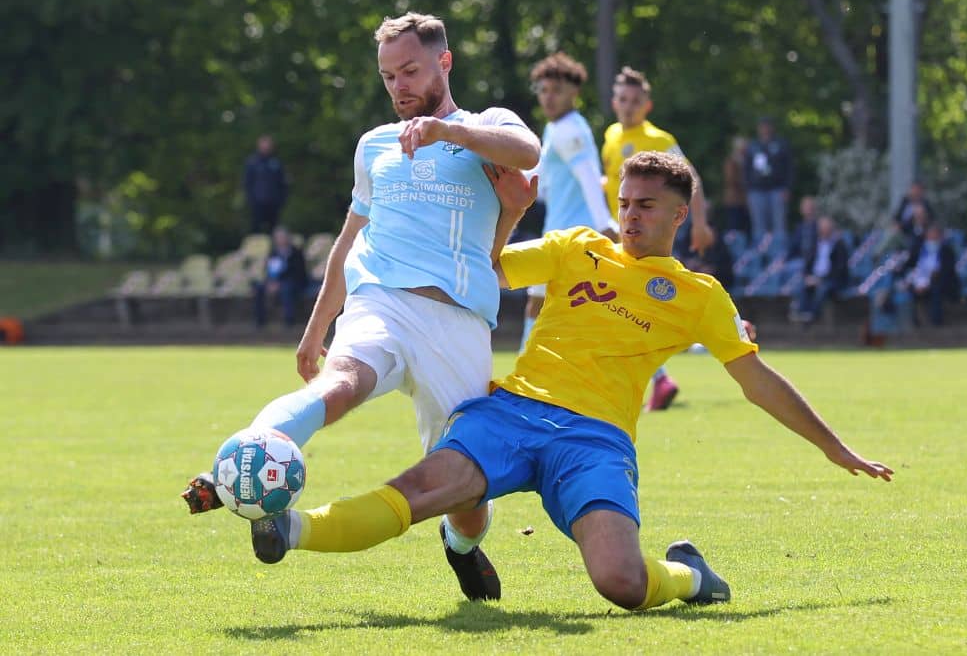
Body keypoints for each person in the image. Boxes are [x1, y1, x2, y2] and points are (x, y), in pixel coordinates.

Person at [249, 152, 893, 613]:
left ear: (680, 215)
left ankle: (692, 579)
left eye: (646, 206)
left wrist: (834, 447)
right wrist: (509, 211)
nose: (630, 216)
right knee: (420, 490)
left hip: (595, 441)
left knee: (620, 582)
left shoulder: (700, 295)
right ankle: (290, 530)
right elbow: (484, 268)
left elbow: (758, 382)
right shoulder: (577, 247)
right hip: (513, 413)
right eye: (624, 203)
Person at [182, 12, 541, 602]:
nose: (399, 86)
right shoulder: (373, 145)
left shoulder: (484, 127)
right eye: (388, 76)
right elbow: (349, 239)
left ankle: (462, 548)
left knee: (468, 496)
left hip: (458, 323)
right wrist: (317, 324)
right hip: (381, 303)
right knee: (340, 384)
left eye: (410, 71)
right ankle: (235, 467)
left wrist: (445, 132)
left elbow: (526, 149)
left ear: (443, 63)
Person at [600, 65, 714, 410]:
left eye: (635, 100)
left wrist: (699, 223)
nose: (628, 106)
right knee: (625, 307)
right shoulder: (610, 136)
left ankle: (666, 366)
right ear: (614, 101)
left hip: (648, 235)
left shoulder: (660, 140)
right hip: (616, 234)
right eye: (623, 99)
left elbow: (690, 178)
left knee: (625, 305)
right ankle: (661, 370)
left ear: (647, 105)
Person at [522, 52, 617, 350]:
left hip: (574, 236)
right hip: (560, 232)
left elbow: (588, 177)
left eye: (557, 91)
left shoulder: (567, 130)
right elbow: (551, 185)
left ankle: (521, 376)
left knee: (541, 306)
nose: (548, 98)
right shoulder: (559, 128)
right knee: (546, 305)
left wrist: (605, 225)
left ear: (574, 92)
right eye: (543, 90)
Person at [898, 224, 960, 326]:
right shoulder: (918, 248)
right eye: (931, 234)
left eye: (936, 235)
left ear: (940, 236)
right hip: (918, 280)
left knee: (936, 289)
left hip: (939, 281)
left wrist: (929, 282)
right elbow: (908, 265)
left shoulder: (947, 250)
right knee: (908, 289)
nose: (933, 237)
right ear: (926, 235)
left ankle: (936, 323)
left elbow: (948, 271)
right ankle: (913, 322)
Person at [744, 117, 793, 244]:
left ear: (772, 128)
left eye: (767, 126)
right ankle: (760, 258)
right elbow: (746, 169)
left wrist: (787, 188)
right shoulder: (753, 146)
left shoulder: (781, 144)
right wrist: (748, 190)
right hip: (757, 191)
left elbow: (789, 167)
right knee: (759, 227)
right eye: (762, 127)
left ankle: (778, 258)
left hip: (777, 190)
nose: (765, 129)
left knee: (779, 225)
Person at [793, 216, 850, 324]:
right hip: (814, 277)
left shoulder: (839, 244)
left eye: (825, 229)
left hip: (832, 279)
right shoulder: (816, 244)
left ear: (831, 229)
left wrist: (821, 279)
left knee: (822, 288)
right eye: (821, 229)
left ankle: (812, 315)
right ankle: (801, 313)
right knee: (800, 286)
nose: (822, 231)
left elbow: (840, 268)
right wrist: (807, 276)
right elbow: (808, 264)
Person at [253, 226, 310, 328]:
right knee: (259, 288)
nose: (280, 240)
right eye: (278, 237)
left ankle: (289, 322)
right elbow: (269, 271)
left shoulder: (296, 253)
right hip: (274, 282)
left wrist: (279, 283)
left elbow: (298, 273)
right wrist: (270, 283)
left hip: (293, 283)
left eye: (282, 237)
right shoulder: (273, 253)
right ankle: (260, 322)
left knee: (286, 289)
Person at [244, 135, 289, 234]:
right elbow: (247, 183)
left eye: (268, 144)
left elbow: (283, 183)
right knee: (256, 229)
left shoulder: (276, 162)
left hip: (274, 202)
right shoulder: (252, 162)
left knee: (274, 229)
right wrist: (251, 199)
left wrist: (281, 199)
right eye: (264, 144)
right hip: (257, 203)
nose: (266, 147)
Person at [720, 136, 750, 236]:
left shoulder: (747, 160)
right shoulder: (731, 161)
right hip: (734, 199)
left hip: (745, 200)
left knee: (745, 227)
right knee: (734, 226)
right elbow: (730, 179)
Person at [785, 196, 819, 274]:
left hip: (813, 260)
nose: (807, 209)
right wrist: (784, 260)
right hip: (799, 258)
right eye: (804, 206)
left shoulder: (819, 226)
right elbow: (793, 246)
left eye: (809, 206)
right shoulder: (799, 227)